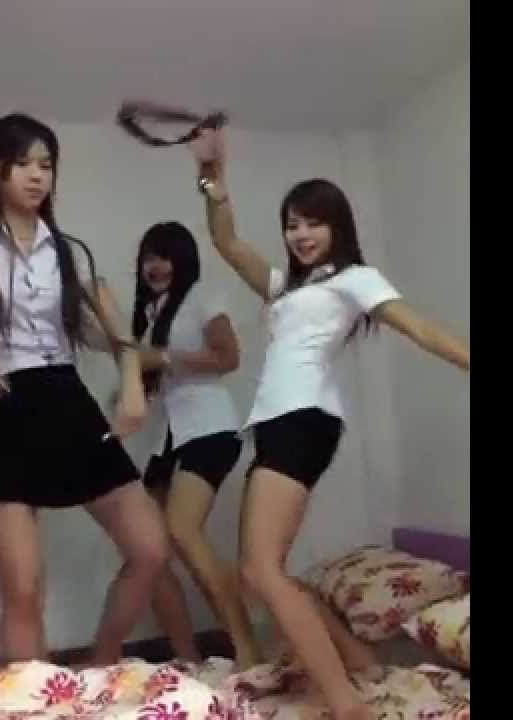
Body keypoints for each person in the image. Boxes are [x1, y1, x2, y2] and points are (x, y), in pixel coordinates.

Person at [185, 127, 470, 720]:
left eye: (314, 222)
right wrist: (213, 178)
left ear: (337, 226)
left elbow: (418, 327)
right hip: (278, 423)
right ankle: (357, 659)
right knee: (263, 571)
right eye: (292, 224)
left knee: (259, 570)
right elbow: (226, 239)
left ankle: (345, 701)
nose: (301, 234)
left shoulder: (355, 278)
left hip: (304, 418)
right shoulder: (287, 287)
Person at [0, 112, 169, 667]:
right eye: (24, 164)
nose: (38, 176)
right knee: (24, 587)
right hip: (2, 409)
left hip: (67, 402)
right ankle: (34, 698)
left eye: (47, 165)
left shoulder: (70, 251)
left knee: (150, 549)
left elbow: (115, 334)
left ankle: (100, 662)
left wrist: (133, 387)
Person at [128, 221, 262, 670]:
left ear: (182, 260)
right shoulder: (148, 314)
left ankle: (246, 645)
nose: (155, 266)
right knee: (146, 545)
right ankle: (186, 655)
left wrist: (163, 358)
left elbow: (228, 357)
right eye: (149, 257)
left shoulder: (204, 297)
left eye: (164, 256)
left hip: (209, 429)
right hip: (166, 437)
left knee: (183, 530)